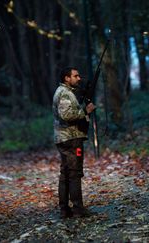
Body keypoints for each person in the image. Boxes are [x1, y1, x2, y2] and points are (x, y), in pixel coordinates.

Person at [52, 67, 95, 218]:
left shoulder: (65, 92)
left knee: (65, 173)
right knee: (74, 173)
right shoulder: (64, 93)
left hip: (66, 138)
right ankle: (77, 209)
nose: (79, 78)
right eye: (75, 76)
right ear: (66, 78)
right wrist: (86, 111)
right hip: (70, 139)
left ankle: (64, 210)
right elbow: (67, 115)